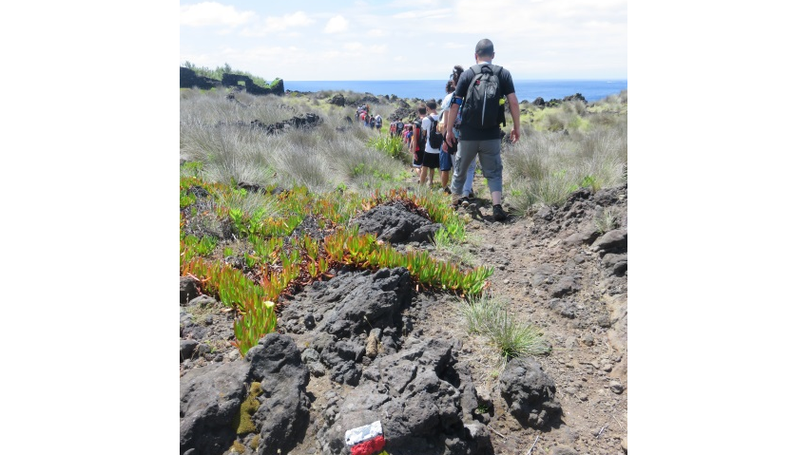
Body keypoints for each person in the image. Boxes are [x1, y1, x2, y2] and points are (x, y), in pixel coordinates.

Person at [444, 38, 520, 221]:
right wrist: (517, 127)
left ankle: (454, 205)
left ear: (475, 55)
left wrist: (448, 131)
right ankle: (496, 206)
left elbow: (455, 105)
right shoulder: (503, 74)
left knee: (460, 169)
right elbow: (513, 102)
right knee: (494, 171)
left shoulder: (467, 74)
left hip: (468, 134)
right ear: (493, 55)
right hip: (492, 134)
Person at [440, 65, 477, 199]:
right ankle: (466, 193)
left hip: (453, 137)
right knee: (471, 166)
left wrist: (445, 138)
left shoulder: (449, 98)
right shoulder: (473, 95)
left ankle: (459, 193)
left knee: (457, 167)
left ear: (454, 82)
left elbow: (445, 122)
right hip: (471, 135)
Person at [419, 101, 441, 186]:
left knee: (425, 168)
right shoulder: (441, 117)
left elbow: (424, 133)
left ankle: (421, 186)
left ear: (427, 108)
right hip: (439, 148)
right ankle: (444, 186)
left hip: (429, 148)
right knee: (440, 169)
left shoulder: (426, 119)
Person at [409, 106, 427, 170]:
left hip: (418, 147)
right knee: (424, 166)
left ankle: (422, 178)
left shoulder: (416, 123)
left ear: (418, 112)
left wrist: (413, 151)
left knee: (417, 166)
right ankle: (424, 178)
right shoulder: (430, 121)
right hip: (428, 147)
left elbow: (414, 138)